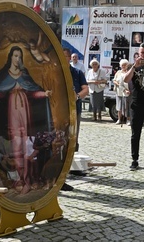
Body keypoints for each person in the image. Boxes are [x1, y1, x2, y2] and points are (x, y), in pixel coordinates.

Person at [0, 46, 53, 189]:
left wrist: (45, 94)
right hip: (12, 110)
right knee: (16, 142)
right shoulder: (4, 75)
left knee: (27, 143)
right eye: (15, 56)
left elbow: (33, 92)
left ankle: (30, 178)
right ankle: (20, 178)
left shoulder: (24, 74)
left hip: (25, 110)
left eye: (19, 56)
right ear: (10, 57)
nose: (17, 59)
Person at [62, 48, 88, 190]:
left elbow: (86, 90)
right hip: (59, 113)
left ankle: (65, 176)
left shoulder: (76, 73)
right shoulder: (55, 73)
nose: (64, 58)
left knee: (72, 143)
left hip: (73, 112)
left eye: (66, 56)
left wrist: (76, 96)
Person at [113, 59, 131, 125]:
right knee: (119, 107)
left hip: (126, 91)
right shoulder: (118, 72)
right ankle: (119, 119)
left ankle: (128, 120)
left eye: (125, 65)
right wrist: (117, 84)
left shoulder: (128, 72)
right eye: (122, 65)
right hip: (119, 91)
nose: (124, 66)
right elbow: (114, 80)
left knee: (126, 107)